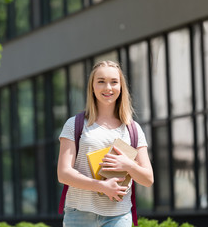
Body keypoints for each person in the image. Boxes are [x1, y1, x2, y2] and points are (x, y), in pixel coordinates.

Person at [57, 60, 154, 227]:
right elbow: (63, 174)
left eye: (114, 82)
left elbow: (148, 179)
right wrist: (102, 186)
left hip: (118, 216)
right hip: (79, 215)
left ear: (121, 87)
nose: (108, 88)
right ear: (92, 87)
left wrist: (128, 165)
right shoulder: (74, 124)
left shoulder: (133, 129)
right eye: (101, 81)